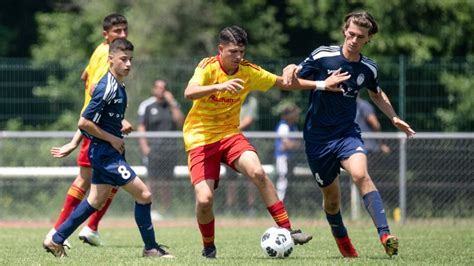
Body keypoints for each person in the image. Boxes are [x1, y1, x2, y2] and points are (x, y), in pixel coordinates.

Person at [183, 25, 350, 258]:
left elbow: (284, 83)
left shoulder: (248, 70)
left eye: (242, 51)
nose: (238, 57)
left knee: (258, 172)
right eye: (233, 52)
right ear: (220, 49)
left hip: (230, 134)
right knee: (205, 199)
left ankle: (288, 230)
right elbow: (189, 92)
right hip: (200, 138)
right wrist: (219, 86)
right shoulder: (207, 66)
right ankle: (209, 247)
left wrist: (322, 84)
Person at [283, 11, 416, 258]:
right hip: (317, 139)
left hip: (347, 134)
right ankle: (345, 247)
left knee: (360, 174)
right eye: (351, 34)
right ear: (345, 31)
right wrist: (294, 69)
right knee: (332, 201)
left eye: (360, 36)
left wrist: (393, 116)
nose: (354, 39)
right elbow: (291, 80)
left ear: (368, 39)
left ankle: (385, 235)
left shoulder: (368, 67)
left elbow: (376, 93)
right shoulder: (324, 55)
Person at [43, 38, 174, 259]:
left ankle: (56, 239)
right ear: (110, 58)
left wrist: (77, 142)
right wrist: (111, 139)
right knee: (144, 195)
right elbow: (84, 121)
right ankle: (150, 248)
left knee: (95, 201)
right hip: (106, 155)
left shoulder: (118, 85)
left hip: (107, 153)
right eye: (123, 59)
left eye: (131, 59)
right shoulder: (107, 87)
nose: (128, 64)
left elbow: (92, 118)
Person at [46, 14, 132, 247]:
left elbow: (86, 76)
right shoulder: (108, 55)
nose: (123, 35)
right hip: (97, 128)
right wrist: (119, 117)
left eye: (125, 30)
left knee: (106, 182)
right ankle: (58, 232)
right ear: (106, 34)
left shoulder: (99, 51)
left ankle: (88, 228)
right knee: (86, 181)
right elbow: (96, 87)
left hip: (98, 126)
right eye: (117, 31)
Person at [137, 80, 184, 219]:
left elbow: (180, 121)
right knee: (152, 181)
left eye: (164, 88)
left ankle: (167, 211)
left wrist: (172, 103)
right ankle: (150, 210)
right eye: (158, 87)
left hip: (169, 151)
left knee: (167, 183)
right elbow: (141, 127)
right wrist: (145, 148)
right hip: (154, 151)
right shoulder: (146, 105)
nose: (161, 90)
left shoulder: (172, 106)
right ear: (153, 89)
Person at [225, 94, 258, 214]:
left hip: (247, 141)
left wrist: (232, 128)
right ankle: (231, 207)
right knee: (231, 178)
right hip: (230, 142)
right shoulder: (228, 98)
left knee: (251, 176)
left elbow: (249, 119)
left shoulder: (252, 100)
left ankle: (251, 207)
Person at [274, 102, 302, 201]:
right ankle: (279, 202)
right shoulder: (283, 126)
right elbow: (286, 145)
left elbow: (294, 144)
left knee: (288, 181)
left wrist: (293, 144)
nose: (297, 116)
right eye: (295, 114)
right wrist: (295, 145)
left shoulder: (293, 126)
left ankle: (286, 202)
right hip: (282, 157)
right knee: (282, 180)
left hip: (290, 158)